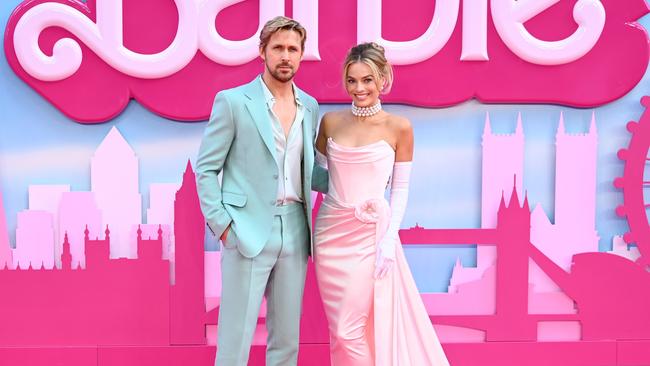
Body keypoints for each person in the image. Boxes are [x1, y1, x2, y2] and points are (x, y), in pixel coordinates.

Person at [196, 16, 327, 366]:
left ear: (301, 55)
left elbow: (310, 171)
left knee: (286, 341)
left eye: (293, 49)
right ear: (262, 52)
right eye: (278, 48)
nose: (286, 56)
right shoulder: (233, 102)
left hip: (296, 231)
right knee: (235, 340)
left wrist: (361, 180)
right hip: (247, 229)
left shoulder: (310, 106)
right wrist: (223, 225)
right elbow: (206, 168)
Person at [313, 42, 450, 365]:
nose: (359, 88)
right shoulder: (330, 122)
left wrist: (389, 240)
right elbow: (317, 176)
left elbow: (400, 190)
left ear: (383, 80)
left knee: (350, 329)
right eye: (352, 80)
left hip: (370, 237)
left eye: (367, 80)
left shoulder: (399, 127)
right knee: (340, 331)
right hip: (330, 234)